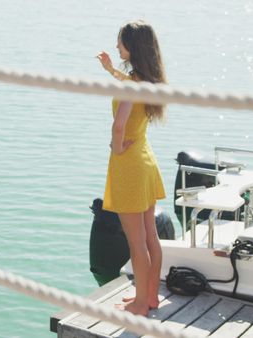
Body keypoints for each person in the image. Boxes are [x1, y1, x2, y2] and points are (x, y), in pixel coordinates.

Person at [96, 20, 167, 316]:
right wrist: (112, 71)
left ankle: (139, 304)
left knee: (135, 242)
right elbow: (129, 87)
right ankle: (150, 297)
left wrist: (115, 146)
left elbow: (118, 126)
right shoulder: (147, 80)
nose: (116, 46)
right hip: (146, 160)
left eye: (120, 42)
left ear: (132, 47)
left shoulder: (133, 85)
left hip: (129, 167)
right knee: (150, 235)